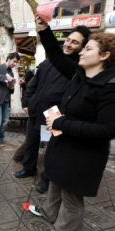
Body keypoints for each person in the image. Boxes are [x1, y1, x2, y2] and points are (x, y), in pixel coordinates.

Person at [28, 15, 115, 231]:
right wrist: (44, 30)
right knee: (55, 182)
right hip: (63, 146)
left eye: (88, 49)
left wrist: (62, 123)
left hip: (83, 156)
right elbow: (57, 57)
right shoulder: (80, 74)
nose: (81, 52)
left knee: (71, 200)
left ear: (104, 56)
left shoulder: (109, 88)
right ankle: (49, 213)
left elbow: (107, 129)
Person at [15, 26, 91, 195]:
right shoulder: (48, 61)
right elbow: (32, 84)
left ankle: (45, 179)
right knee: (31, 142)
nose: (69, 44)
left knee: (51, 150)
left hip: (54, 115)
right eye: (69, 40)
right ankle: (28, 168)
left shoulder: (77, 68)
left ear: (82, 47)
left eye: (75, 42)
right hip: (35, 110)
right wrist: (27, 102)